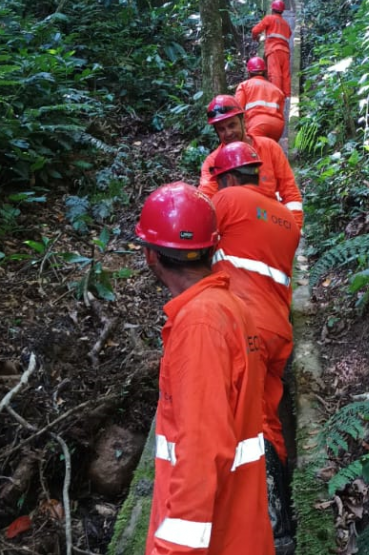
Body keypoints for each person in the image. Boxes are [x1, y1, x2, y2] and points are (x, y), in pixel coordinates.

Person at [135, 182, 274, 555]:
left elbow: (201, 451)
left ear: (151, 256)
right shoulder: (230, 307)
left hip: (215, 540)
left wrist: (171, 551)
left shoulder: (199, 325)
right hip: (237, 527)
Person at [210, 142, 299, 554]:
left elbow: (196, 240)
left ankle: (274, 529)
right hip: (279, 329)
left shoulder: (226, 199)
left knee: (250, 421)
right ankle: (282, 521)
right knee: (269, 416)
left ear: (228, 177)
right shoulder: (285, 217)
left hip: (245, 327)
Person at [200, 95, 303, 229]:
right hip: (236, 230)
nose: (228, 133)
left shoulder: (269, 148)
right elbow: (207, 201)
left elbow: (290, 192)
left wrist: (294, 229)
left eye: (232, 125)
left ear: (243, 121)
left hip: (271, 225)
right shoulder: (212, 162)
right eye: (221, 129)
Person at [235, 57, 286, 142]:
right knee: (269, 151)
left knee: (255, 152)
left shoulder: (244, 85)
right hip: (277, 127)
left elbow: (238, 110)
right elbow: (281, 112)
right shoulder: (277, 90)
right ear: (265, 72)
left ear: (249, 72)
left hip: (257, 124)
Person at [251, 0, 292, 98]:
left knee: (275, 74)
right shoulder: (286, 24)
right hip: (285, 52)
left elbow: (255, 30)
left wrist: (255, 37)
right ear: (282, 11)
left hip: (273, 50)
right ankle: (287, 95)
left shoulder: (269, 18)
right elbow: (289, 33)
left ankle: (275, 95)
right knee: (285, 74)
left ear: (272, 9)